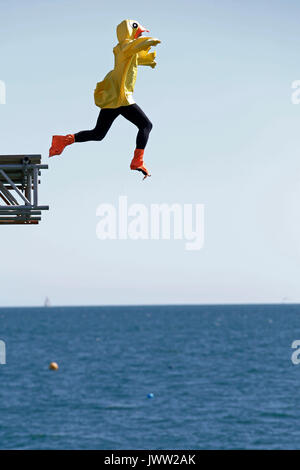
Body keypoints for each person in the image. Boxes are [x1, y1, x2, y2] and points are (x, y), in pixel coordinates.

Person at [49, 19, 161, 179]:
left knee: (98, 133)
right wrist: (148, 41)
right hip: (123, 98)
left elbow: (137, 55)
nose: (139, 35)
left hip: (114, 100)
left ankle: (64, 141)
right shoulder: (124, 47)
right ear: (130, 32)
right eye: (138, 32)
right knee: (146, 125)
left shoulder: (127, 50)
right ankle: (137, 161)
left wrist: (148, 60)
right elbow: (134, 47)